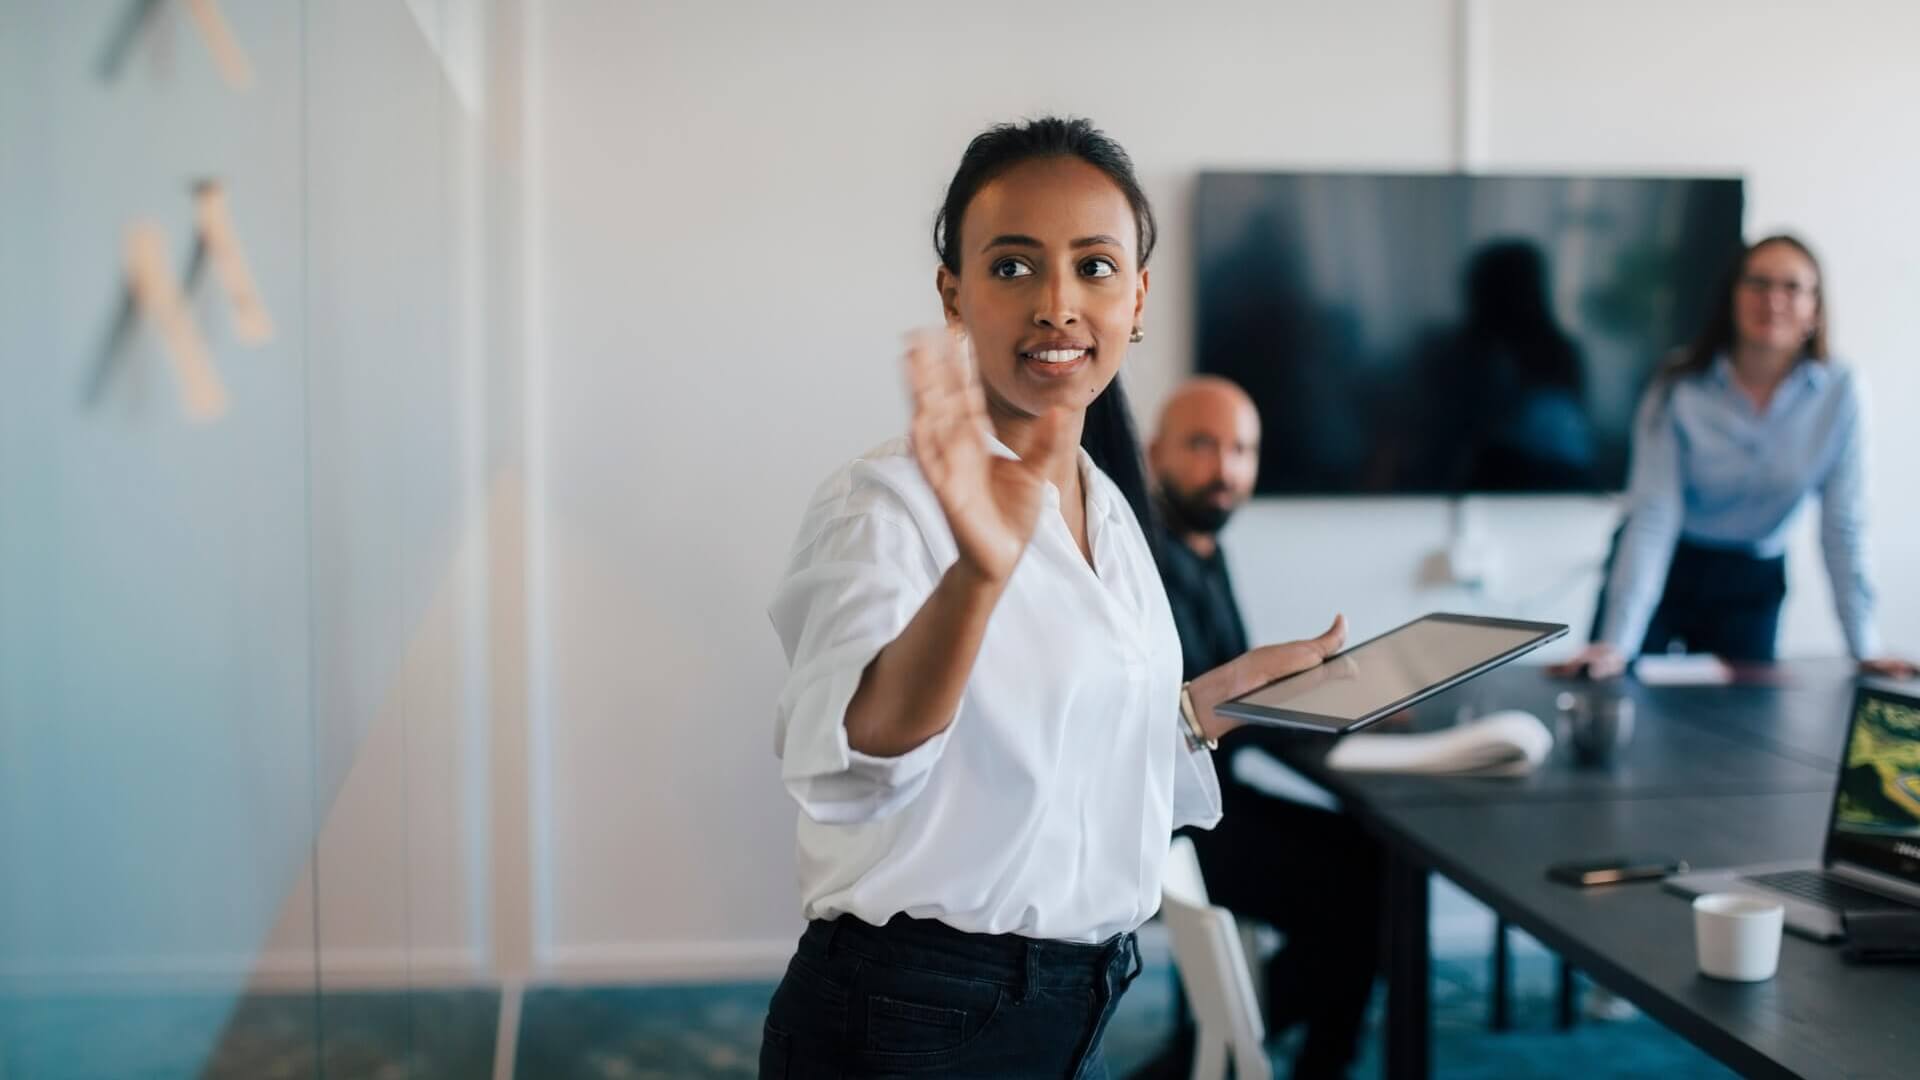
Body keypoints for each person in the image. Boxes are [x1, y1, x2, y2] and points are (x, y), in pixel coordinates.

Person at [761, 116, 1348, 1079]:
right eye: (1013, 267)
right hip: (910, 1021)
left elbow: (1069, 755)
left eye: (1095, 266)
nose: (1058, 304)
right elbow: (859, 757)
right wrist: (977, 577)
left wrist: (1223, 699)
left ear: (1140, 296)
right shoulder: (882, 503)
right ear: (952, 294)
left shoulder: (1109, 506)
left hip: (1064, 1005)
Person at [1136, 377, 1384, 1080]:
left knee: (1371, 863)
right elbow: (1200, 713)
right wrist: (1320, 706)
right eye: (1203, 445)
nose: (1225, 469)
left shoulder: (1206, 552)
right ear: (1155, 454)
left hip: (1219, 806)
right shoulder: (1150, 563)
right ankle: (1203, 1060)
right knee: (1366, 893)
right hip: (1175, 823)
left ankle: (1264, 1051)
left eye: (1242, 450)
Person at [1559, 235, 1914, 680]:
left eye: (1792, 287)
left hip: (1752, 578)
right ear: (1733, 297)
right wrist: (1616, 645)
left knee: (1744, 724)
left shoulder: (1841, 392)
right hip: (1667, 563)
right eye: (1758, 284)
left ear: (1816, 308)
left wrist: (1866, 647)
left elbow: (1843, 526)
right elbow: (1653, 516)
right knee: (1612, 690)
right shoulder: (1678, 383)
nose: (1773, 300)